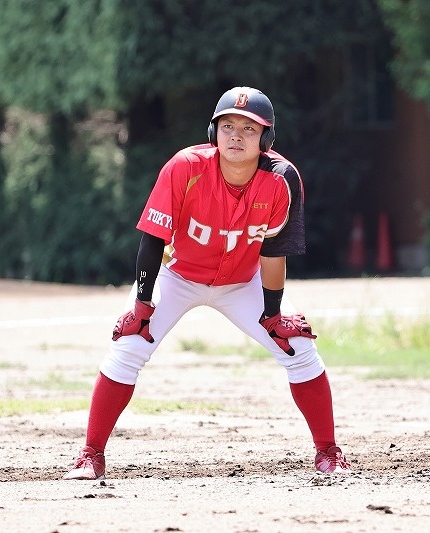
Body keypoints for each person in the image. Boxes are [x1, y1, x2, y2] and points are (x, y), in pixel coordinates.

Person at [63, 86, 351, 480]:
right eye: (227, 126)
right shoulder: (185, 167)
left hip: (243, 281)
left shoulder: (282, 178)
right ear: (213, 131)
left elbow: (273, 254)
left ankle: (329, 452)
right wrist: (143, 303)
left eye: (249, 129)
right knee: (129, 346)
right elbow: (153, 239)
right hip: (176, 274)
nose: (236, 136)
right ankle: (90, 454)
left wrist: (273, 314)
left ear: (266, 138)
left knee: (298, 348)